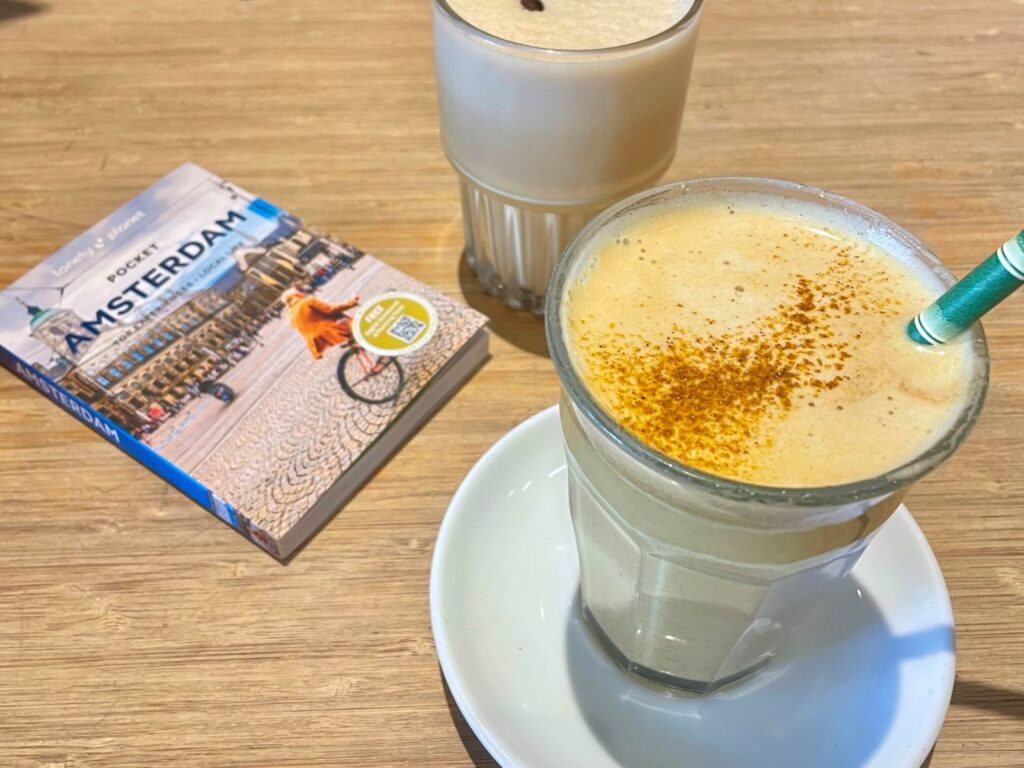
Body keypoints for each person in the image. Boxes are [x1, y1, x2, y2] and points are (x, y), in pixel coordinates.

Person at [283, 288, 361, 360]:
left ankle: (357, 347)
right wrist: (352, 302)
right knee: (358, 323)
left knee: (344, 321)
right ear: (296, 295)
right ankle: (363, 344)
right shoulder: (308, 301)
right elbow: (331, 309)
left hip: (316, 341)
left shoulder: (290, 315)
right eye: (300, 292)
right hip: (332, 331)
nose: (302, 293)